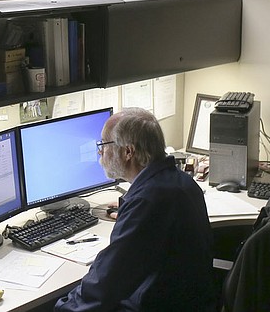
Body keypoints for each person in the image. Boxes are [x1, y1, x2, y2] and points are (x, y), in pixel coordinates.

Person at [55, 107, 215, 312]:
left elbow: (106, 283)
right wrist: (129, 209)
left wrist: (62, 306)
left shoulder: (148, 202)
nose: (100, 152)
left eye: (103, 145)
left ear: (128, 152)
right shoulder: (180, 182)